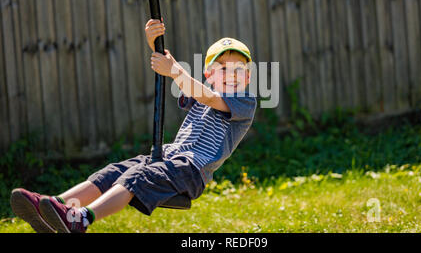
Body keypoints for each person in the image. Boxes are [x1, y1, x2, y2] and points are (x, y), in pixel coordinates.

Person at [9, 19, 257, 233]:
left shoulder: (244, 101)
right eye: (222, 68)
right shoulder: (201, 89)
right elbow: (190, 85)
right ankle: (56, 206)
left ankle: (81, 218)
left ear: (247, 76)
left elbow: (207, 98)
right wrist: (156, 47)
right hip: (169, 157)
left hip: (192, 169)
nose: (232, 74)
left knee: (136, 176)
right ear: (208, 75)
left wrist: (174, 71)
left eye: (239, 69)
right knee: (113, 172)